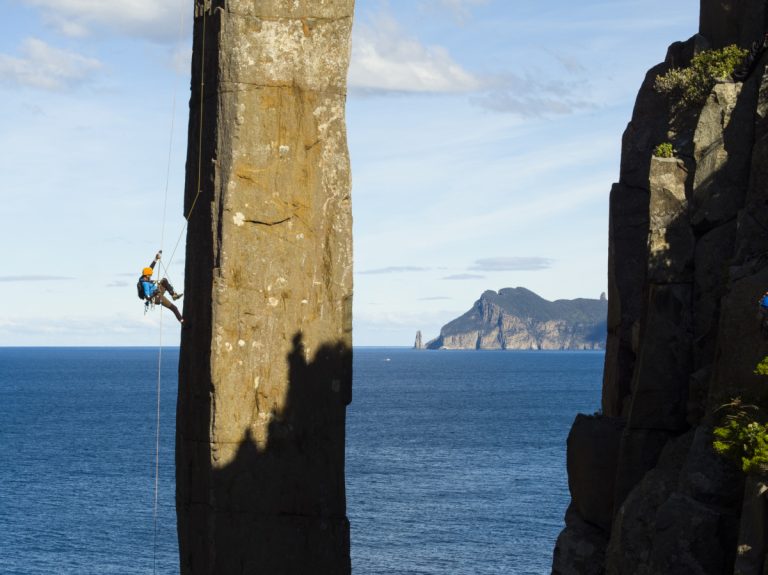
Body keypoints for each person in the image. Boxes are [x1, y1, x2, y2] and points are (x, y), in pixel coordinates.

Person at [139, 251, 185, 325]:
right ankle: (183, 322)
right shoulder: (145, 284)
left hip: (157, 292)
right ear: (147, 276)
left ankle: (174, 295)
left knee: (164, 280)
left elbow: (150, 268)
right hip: (157, 297)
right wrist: (154, 293)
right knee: (174, 308)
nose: (150, 276)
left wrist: (156, 259)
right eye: (150, 275)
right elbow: (147, 297)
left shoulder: (144, 277)